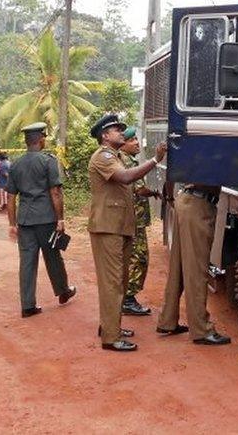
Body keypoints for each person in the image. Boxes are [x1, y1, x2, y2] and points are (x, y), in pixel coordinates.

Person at [87, 114, 167, 352]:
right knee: (112, 283)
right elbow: (125, 177)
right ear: (105, 136)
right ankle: (111, 337)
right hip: (108, 227)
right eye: (116, 129)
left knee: (119, 281)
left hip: (119, 226)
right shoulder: (103, 157)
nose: (121, 132)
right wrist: (155, 159)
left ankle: (110, 326)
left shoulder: (117, 156)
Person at [6, 122, 77, 318]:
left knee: (27, 262)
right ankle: (63, 291)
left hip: (25, 220)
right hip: (46, 219)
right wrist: (60, 219)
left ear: (27, 141)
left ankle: (28, 305)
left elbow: (11, 197)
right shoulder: (48, 161)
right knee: (53, 256)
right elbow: (55, 192)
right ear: (41, 140)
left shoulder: (16, 164)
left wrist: (12, 223)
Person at [157, 181, 231, 346]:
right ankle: (201, 330)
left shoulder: (189, 153)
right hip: (199, 204)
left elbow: (172, 171)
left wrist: (170, 197)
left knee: (178, 268)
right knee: (197, 270)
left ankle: (167, 320)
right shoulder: (211, 153)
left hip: (185, 200)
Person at [118, 127, 160, 316]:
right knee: (138, 258)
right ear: (123, 144)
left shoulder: (127, 159)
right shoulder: (126, 161)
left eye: (136, 138)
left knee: (135, 257)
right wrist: (155, 193)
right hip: (134, 219)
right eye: (132, 139)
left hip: (134, 218)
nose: (136, 142)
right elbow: (139, 190)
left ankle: (127, 297)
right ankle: (127, 299)